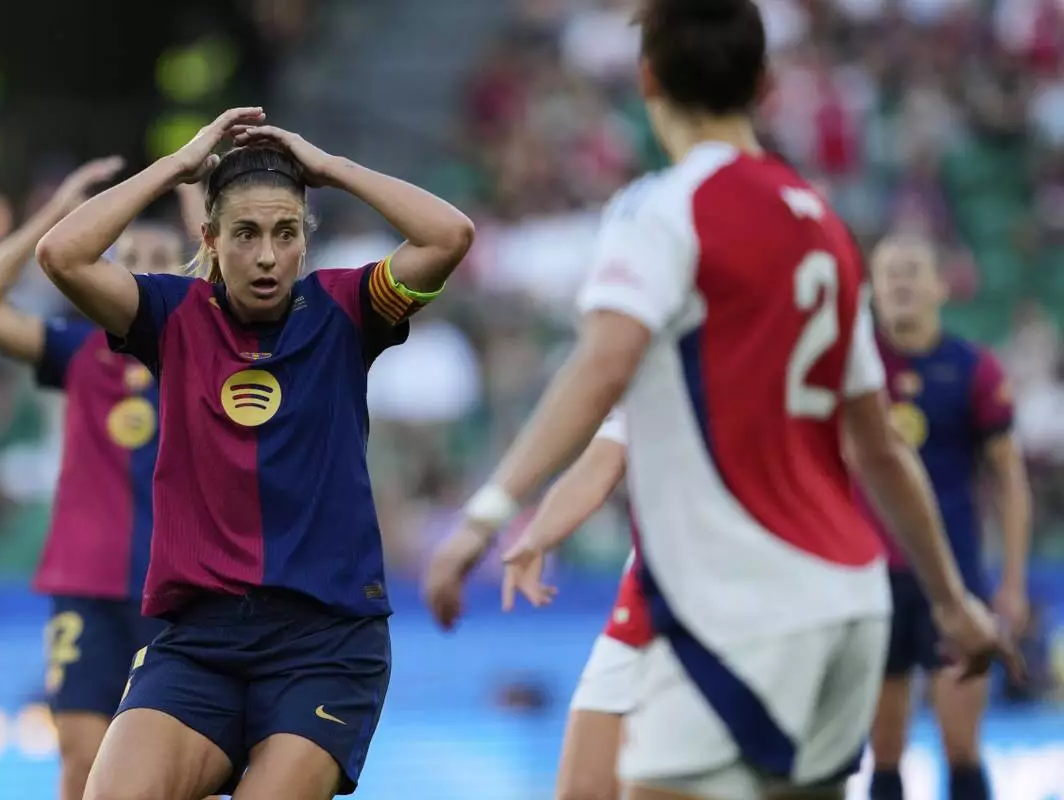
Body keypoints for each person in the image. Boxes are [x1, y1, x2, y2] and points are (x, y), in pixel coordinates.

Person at [423, 2, 1022, 799]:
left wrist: (488, 513)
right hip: (848, 603)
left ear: (647, 81)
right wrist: (953, 602)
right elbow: (879, 448)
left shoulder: (662, 210)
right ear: (767, 85)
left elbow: (601, 366)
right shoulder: (826, 230)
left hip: (737, 606)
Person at [34, 107, 474, 800]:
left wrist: (328, 168)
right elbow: (62, 255)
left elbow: (450, 234)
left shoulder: (350, 310)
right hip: (199, 642)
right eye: (245, 234)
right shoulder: (170, 316)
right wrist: (178, 166)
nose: (267, 255)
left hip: (325, 645)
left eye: (285, 233)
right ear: (209, 238)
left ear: (305, 241)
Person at [0, 157, 192, 800]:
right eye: (128, 254)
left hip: (175, 587)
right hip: (85, 581)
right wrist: (56, 213)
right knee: (82, 756)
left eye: (159, 255)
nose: (141, 267)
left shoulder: (205, 356)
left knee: (176, 764)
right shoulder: (79, 351)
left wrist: (198, 192)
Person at [864, 234, 1032, 800]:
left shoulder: (972, 369)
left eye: (913, 270)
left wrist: (1010, 582)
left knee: (961, 746)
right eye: (889, 273)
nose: (900, 283)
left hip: (954, 581)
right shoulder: (854, 372)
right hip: (869, 580)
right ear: (871, 290)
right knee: (881, 753)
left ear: (941, 285)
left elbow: (1009, 478)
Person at [502, 407, 649, 800]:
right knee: (583, 789)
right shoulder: (660, 356)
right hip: (648, 605)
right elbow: (602, 460)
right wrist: (537, 537)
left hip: (765, 605)